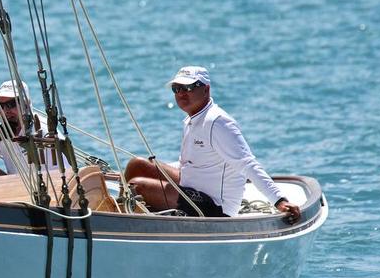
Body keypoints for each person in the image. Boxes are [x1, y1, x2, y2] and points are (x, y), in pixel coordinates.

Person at [124, 66, 301, 221]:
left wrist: (279, 200)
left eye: (189, 87)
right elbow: (193, 163)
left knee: (138, 186)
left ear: (206, 89)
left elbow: (248, 164)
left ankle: (122, 224)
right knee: (137, 165)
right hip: (192, 186)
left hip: (215, 206)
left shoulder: (218, 123)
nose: (181, 93)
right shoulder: (192, 120)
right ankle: (116, 211)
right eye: (176, 88)